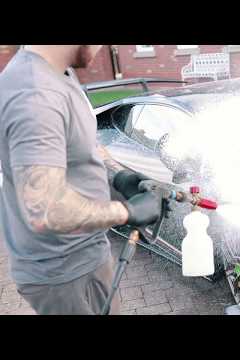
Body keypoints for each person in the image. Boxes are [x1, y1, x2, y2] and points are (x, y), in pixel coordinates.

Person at [0, 45, 160, 315]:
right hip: (62, 270)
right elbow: (46, 210)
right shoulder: (35, 95)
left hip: (86, 255)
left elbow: (83, 145)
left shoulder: (60, 73)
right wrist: (126, 212)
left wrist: (119, 175)